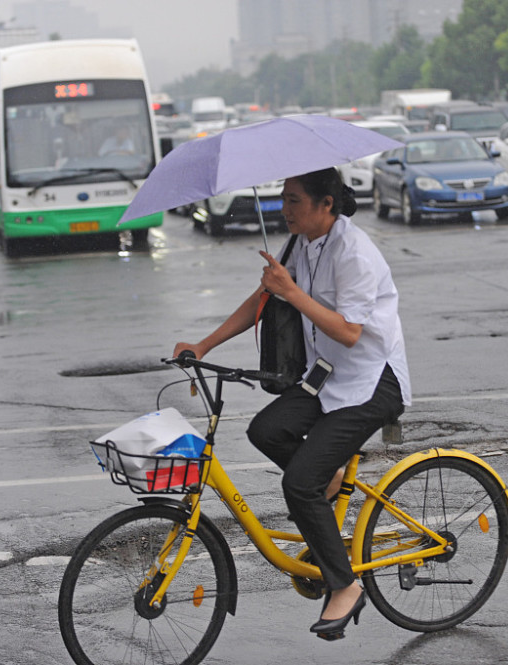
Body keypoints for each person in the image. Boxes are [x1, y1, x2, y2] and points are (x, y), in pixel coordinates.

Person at [172, 167, 411, 640]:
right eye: (284, 199)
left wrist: (292, 292)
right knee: (266, 430)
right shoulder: (300, 245)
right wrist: (203, 346)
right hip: (328, 375)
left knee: (300, 483)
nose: (285, 210)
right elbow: (262, 299)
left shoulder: (355, 252)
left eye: (295, 200)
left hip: (373, 380)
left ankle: (345, 585)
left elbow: (348, 331)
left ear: (327, 204)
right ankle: (332, 479)